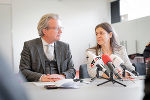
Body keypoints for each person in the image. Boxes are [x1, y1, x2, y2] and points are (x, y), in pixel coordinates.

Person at [19, 13, 76, 82]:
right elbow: (23, 71)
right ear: (45, 31)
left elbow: (72, 70)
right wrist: (41, 77)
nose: (61, 31)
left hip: (61, 86)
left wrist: (62, 76)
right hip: (38, 87)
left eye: (61, 28)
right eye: (57, 28)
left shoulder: (65, 47)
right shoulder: (29, 46)